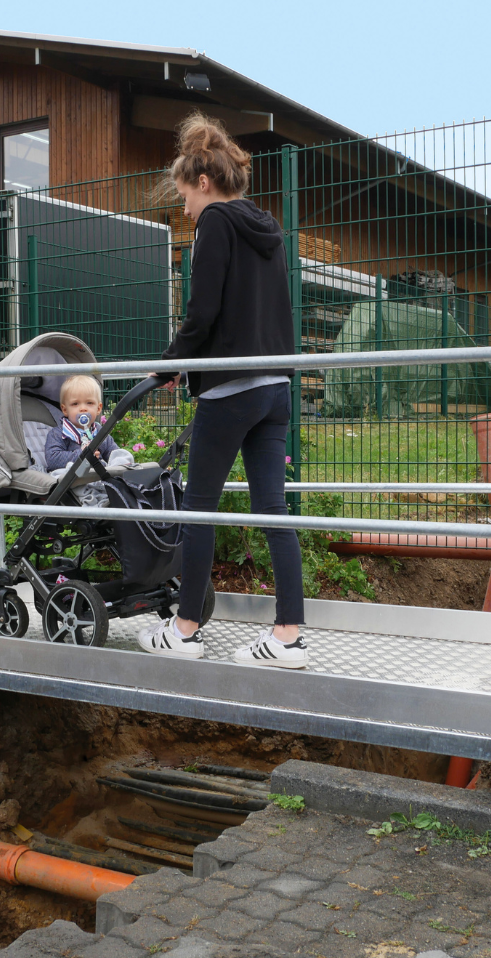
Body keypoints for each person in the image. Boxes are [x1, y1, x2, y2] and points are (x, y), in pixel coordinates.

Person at [136, 111, 307, 669]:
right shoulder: (267, 230)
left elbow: (203, 310)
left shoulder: (214, 224)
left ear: (203, 183)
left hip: (230, 390)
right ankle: (288, 636)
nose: (184, 209)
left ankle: (185, 630)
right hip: (275, 387)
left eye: (184, 196)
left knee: (199, 507)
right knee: (274, 511)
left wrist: (169, 364)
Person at [44, 374, 116, 472]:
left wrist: (119, 460)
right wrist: (82, 454)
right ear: (65, 410)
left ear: (98, 408)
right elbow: (53, 460)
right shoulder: (58, 434)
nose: (83, 408)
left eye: (89, 403)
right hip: (71, 479)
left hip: (97, 477)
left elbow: (113, 452)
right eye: (75, 404)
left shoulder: (100, 433)